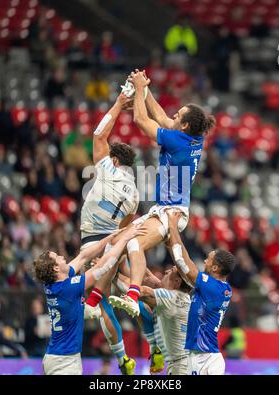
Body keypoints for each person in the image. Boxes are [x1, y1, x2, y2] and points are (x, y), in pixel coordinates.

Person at [109, 70, 215, 317]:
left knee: (133, 243)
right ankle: (130, 287)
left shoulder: (177, 141)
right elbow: (161, 116)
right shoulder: (192, 138)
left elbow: (141, 120)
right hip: (165, 208)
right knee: (117, 243)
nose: (173, 116)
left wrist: (136, 90)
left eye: (178, 115)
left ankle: (133, 294)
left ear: (185, 125)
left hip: (171, 213)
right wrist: (144, 89)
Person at [80, 92, 145, 375]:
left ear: (116, 160)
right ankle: (154, 345)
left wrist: (119, 104)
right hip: (115, 244)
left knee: (98, 300)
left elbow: (98, 135)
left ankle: (123, 360)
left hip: (93, 240)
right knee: (132, 289)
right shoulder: (135, 193)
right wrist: (113, 254)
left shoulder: (107, 168)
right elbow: (124, 228)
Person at [33, 226, 143, 375]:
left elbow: (83, 256)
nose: (62, 256)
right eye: (57, 257)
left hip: (56, 357)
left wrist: (110, 238)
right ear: (56, 269)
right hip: (64, 362)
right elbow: (103, 266)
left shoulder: (53, 283)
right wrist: (124, 239)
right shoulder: (68, 288)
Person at [166, 210, 236, 375]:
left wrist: (173, 227)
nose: (205, 260)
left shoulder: (213, 288)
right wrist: (172, 240)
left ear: (215, 268)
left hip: (208, 358)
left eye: (209, 259)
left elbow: (185, 266)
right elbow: (185, 264)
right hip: (198, 355)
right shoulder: (219, 288)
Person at [115, 266, 192, 375]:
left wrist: (110, 271)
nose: (166, 270)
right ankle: (155, 349)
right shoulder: (180, 296)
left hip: (181, 367)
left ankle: (154, 348)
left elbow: (139, 291)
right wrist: (127, 254)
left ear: (177, 282)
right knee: (141, 306)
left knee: (137, 301)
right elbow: (144, 275)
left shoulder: (172, 297)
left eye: (170, 271)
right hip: (181, 363)